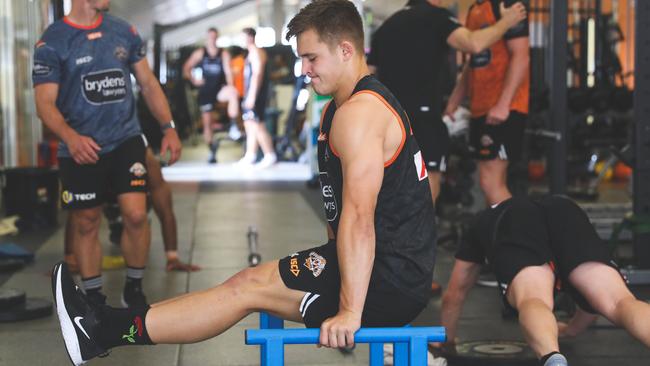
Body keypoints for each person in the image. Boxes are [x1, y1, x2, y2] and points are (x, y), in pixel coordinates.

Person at [50, 1, 436, 364]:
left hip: (389, 280)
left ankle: (101, 331)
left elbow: (358, 218)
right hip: (376, 265)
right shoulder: (343, 108)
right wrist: (331, 265)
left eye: (312, 57)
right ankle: (105, 324)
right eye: (302, 57)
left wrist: (350, 311)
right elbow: (344, 217)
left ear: (347, 50)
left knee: (245, 290)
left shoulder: (360, 114)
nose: (303, 69)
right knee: (247, 282)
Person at [367, 0, 527, 295]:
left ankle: (382, 271)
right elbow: (475, 43)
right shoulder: (437, 18)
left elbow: (368, 74)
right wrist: (507, 22)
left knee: (389, 198)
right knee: (424, 202)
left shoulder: (386, 27)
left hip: (385, 120)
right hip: (422, 121)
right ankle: (411, 276)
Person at [34, 0, 181, 308]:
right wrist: (71, 138)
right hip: (80, 146)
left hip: (125, 140)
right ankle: (94, 297)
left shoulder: (123, 31)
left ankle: (134, 288)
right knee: (87, 221)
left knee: (137, 215)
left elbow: (148, 83)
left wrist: (168, 127)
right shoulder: (52, 41)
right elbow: (45, 104)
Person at [438, 195, 650, 366]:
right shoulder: (487, 220)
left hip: (516, 220)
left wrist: (445, 345)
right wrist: (573, 328)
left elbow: (454, 295)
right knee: (620, 302)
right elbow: (591, 301)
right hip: (565, 210)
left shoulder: (479, 223)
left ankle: (552, 358)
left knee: (533, 299)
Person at [444, 0, 530, 206]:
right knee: (486, 182)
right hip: (481, 107)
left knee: (490, 181)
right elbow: (472, 60)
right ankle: (500, 235)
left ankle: (517, 235)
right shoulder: (475, 9)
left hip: (504, 108)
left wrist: (503, 104)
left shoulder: (507, 4)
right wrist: (454, 101)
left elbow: (522, 56)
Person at [182, 27, 240, 164]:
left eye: (215, 37)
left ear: (217, 37)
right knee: (207, 124)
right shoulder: (201, 53)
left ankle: (233, 126)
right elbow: (186, 67)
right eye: (210, 37)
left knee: (233, 93)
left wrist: (230, 84)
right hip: (206, 91)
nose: (212, 39)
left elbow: (228, 72)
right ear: (207, 37)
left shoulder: (223, 54)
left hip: (219, 89)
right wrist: (194, 80)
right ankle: (212, 150)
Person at [237, 27, 277, 167]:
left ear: (250, 37)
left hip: (257, 94)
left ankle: (269, 154)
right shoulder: (250, 53)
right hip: (250, 93)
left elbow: (257, 74)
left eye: (242, 37)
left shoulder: (257, 52)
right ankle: (250, 155)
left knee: (257, 124)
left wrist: (252, 97)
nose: (241, 40)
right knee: (249, 124)